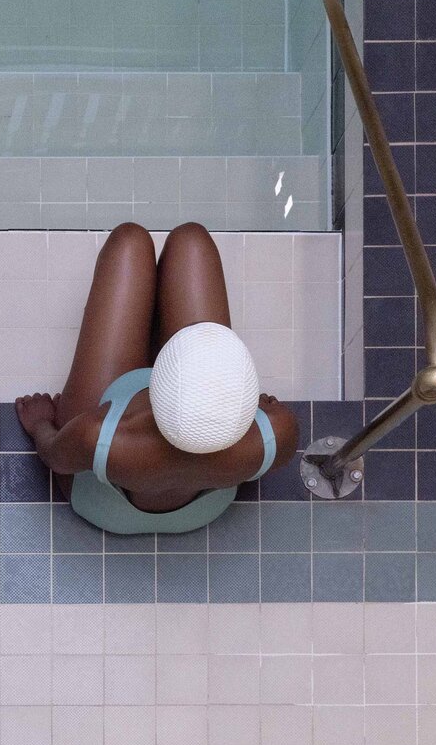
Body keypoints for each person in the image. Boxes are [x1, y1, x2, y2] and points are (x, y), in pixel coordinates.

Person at [16, 222, 299, 536]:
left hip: (108, 507)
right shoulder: (278, 433)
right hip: (200, 511)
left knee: (129, 240)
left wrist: (41, 424)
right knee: (192, 239)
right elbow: (269, 416)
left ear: (154, 378)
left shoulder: (101, 437)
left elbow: (55, 457)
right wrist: (242, 405)